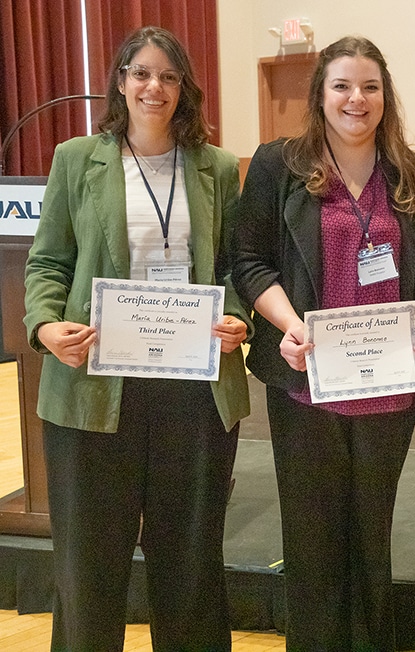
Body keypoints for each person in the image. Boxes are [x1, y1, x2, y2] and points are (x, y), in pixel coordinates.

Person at [22, 26, 249, 651]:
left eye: (169, 77)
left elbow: (233, 269)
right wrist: (44, 326)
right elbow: (47, 263)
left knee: (191, 564)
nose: (155, 87)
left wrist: (237, 317)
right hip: (96, 390)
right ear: (120, 80)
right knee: (90, 569)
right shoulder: (76, 159)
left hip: (194, 393)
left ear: (184, 89)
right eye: (142, 73)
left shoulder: (218, 167)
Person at [231, 36, 415, 650]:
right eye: (343, 85)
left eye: (371, 87)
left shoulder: (413, 171)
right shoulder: (279, 165)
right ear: (320, 93)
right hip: (304, 387)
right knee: (311, 538)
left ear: (386, 96)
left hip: (387, 390)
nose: (358, 99)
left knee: (370, 535)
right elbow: (248, 261)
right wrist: (288, 323)